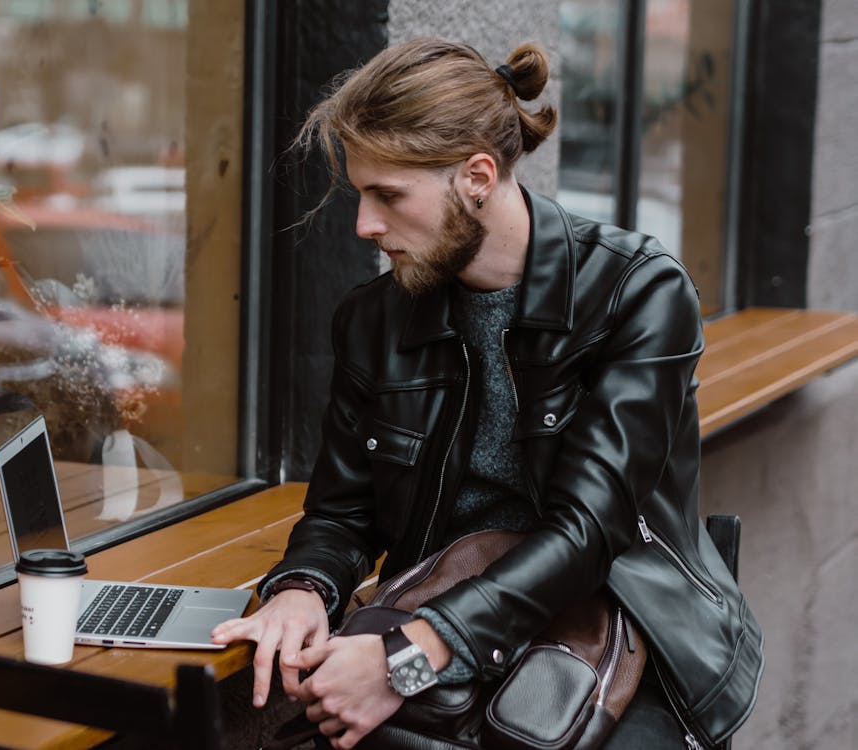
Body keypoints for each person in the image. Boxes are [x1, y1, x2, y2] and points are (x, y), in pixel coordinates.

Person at [212, 38, 763, 750]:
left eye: (388, 195)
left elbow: (589, 532)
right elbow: (342, 512)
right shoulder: (373, 319)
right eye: (359, 194)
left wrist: (408, 658)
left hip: (618, 622)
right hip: (444, 612)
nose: (365, 226)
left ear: (477, 175)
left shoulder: (637, 293)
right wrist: (302, 588)